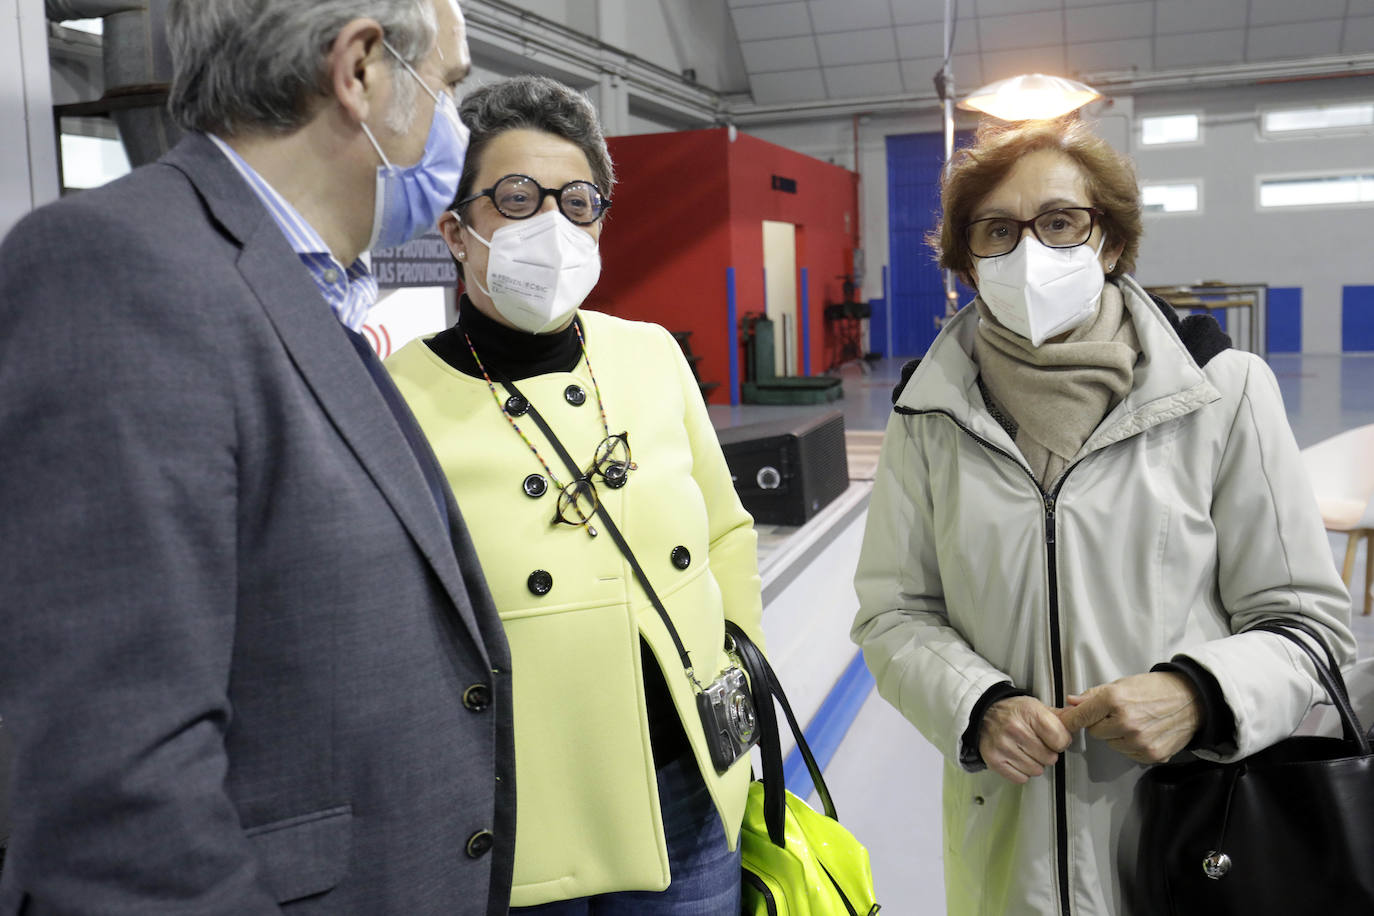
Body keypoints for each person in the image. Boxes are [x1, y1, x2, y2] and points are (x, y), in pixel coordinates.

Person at [0, 2, 516, 913]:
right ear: (359, 71)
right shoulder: (121, 268)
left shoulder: (305, 290)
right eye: (449, 82)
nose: (456, 123)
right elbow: (121, 792)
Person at [851, 116, 1353, 915]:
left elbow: (1309, 626)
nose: (1029, 252)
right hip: (1008, 841)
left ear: (1110, 242)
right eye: (996, 231)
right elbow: (893, 615)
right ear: (968, 262)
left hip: (1189, 831)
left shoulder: (1223, 391)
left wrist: (1201, 695)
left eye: (1059, 222)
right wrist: (975, 704)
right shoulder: (927, 412)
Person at [384, 75, 764, 914]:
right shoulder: (396, 393)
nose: (552, 224)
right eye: (517, 198)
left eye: (578, 201)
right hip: (520, 803)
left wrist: (728, 658)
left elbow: (728, 531)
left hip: (690, 787)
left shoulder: (650, 353)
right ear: (455, 230)